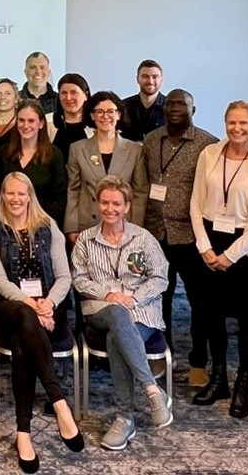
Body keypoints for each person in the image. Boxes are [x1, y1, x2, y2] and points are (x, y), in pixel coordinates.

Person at [0, 173, 82, 471]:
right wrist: (34, 306)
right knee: (25, 317)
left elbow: (65, 275)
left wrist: (49, 303)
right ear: (3, 196)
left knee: (21, 345)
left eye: (21, 193)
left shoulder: (48, 227)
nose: (15, 199)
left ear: (30, 196)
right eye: (10, 194)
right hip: (12, 307)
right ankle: (59, 401)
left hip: (50, 307)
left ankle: (23, 434)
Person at [189, 100, 248, 419]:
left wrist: (231, 254)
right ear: (224, 123)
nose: (237, 129)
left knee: (246, 321)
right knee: (210, 315)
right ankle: (219, 379)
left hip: (245, 247)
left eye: (244, 123)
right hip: (210, 243)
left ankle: (242, 381)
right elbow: (195, 205)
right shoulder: (209, 154)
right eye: (231, 123)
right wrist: (204, 247)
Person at [72, 176, 173, 451]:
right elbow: (79, 279)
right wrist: (109, 295)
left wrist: (134, 297)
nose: (110, 208)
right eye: (104, 202)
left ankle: (124, 417)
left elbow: (161, 277)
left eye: (116, 203)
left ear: (127, 205)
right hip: (100, 310)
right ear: (98, 203)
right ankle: (152, 389)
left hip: (142, 313)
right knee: (116, 314)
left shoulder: (143, 238)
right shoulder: (85, 240)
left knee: (118, 339)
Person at [141, 89, 219, 385]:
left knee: (200, 302)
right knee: (159, 298)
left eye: (181, 104)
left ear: (193, 109)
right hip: (154, 232)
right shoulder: (150, 140)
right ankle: (162, 354)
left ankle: (199, 361)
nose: (175, 108)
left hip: (190, 235)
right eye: (170, 103)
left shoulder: (207, 145)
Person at [64, 91, 149, 243]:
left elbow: (140, 193)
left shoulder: (135, 150)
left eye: (111, 111)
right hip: (87, 226)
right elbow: (73, 190)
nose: (105, 116)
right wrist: (71, 227)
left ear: (119, 115)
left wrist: (136, 229)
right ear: (92, 116)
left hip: (123, 226)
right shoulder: (77, 149)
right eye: (99, 111)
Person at [0, 100, 67, 223]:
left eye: (31, 121)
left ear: (41, 123)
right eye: (21, 120)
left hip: (43, 223)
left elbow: (59, 198)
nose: (25, 126)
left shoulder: (54, 155)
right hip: (8, 223)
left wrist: (39, 221)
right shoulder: (4, 153)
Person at [121, 60, 165, 142]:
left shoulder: (171, 107)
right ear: (137, 79)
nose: (150, 81)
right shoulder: (123, 106)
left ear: (161, 79)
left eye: (154, 77)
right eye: (145, 76)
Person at [51, 73, 92, 157]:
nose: (68, 98)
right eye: (64, 93)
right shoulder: (48, 122)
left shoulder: (96, 124)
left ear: (86, 95)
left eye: (74, 92)